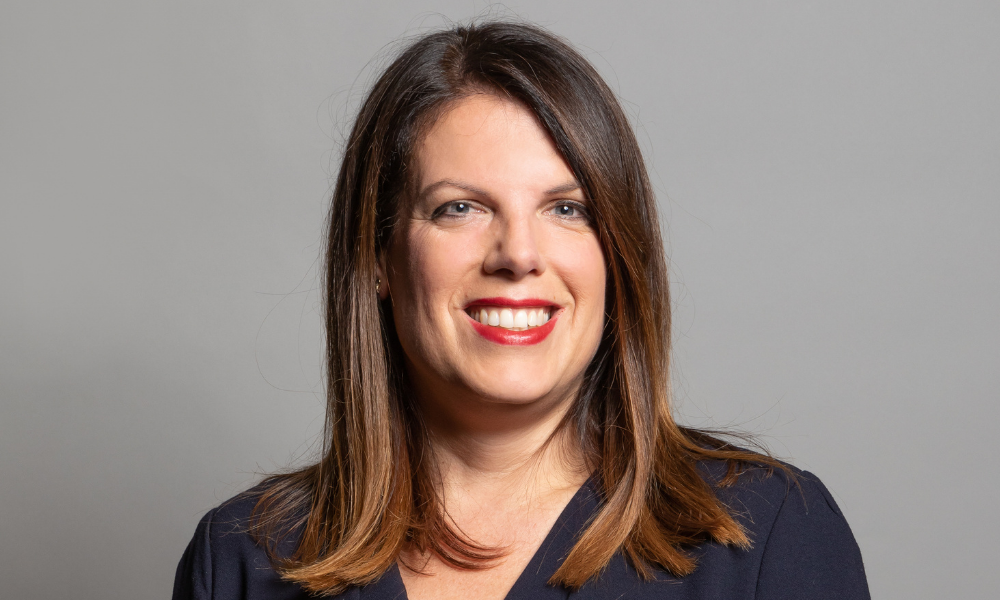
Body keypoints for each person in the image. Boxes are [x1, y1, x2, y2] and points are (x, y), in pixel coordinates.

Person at [173, 21, 870, 600]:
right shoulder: (242, 560)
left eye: (567, 209)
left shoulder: (769, 536)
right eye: (460, 208)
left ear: (617, 255)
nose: (519, 254)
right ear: (379, 257)